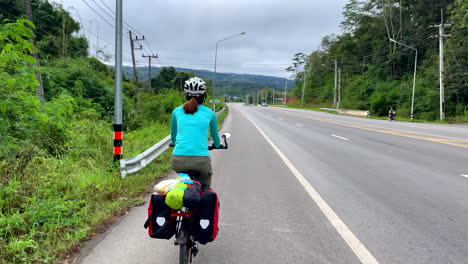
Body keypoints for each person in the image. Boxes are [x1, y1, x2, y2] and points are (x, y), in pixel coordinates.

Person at [170, 77, 221, 189]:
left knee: (181, 184)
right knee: (205, 188)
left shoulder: (176, 111)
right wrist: (218, 145)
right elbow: (215, 136)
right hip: (201, 161)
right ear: (204, 96)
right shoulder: (210, 113)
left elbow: (173, 136)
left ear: (186, 95)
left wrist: (173, 143)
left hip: (178, 160)